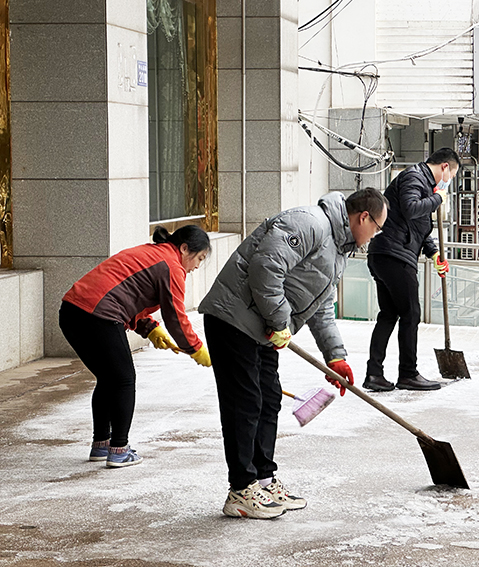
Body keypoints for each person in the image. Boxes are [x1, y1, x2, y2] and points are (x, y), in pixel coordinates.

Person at [198, 188, 388, 520]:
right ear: (363, 218)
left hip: (264, 327)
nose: (375, 236)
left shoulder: (338, 251)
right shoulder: (310, 223)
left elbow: (321, 308)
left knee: (269, 399)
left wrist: (335, 356)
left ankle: (263, 479)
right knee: (245, 403)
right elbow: (265, 268)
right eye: (377, 228)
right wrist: (279, 321)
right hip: (234, 318)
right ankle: (241, 489)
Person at [59, 225, 212, 468]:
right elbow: (175, 315)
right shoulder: (171, 265)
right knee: (123, 380)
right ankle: (119, 449)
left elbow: (124, 293)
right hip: (99, 316)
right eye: (200, 258)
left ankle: (102, 444)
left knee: (108, 378)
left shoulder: (152, 253)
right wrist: (196, 348)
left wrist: (149, 328)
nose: (196, 267)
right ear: (184, 248)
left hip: (72, 312)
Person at [364, 148, 459, 392]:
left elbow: (416, 227)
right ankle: (408, 373)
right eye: (451, 175)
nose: (448, 181)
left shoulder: (422, 183)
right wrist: (437, 199)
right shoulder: (414, 177)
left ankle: (374, 374)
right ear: (445, 167)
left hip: (386, 253)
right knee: (411, 313)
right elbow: (410, 208)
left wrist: (434, 253)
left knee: (389, 314)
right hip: (394, 255)